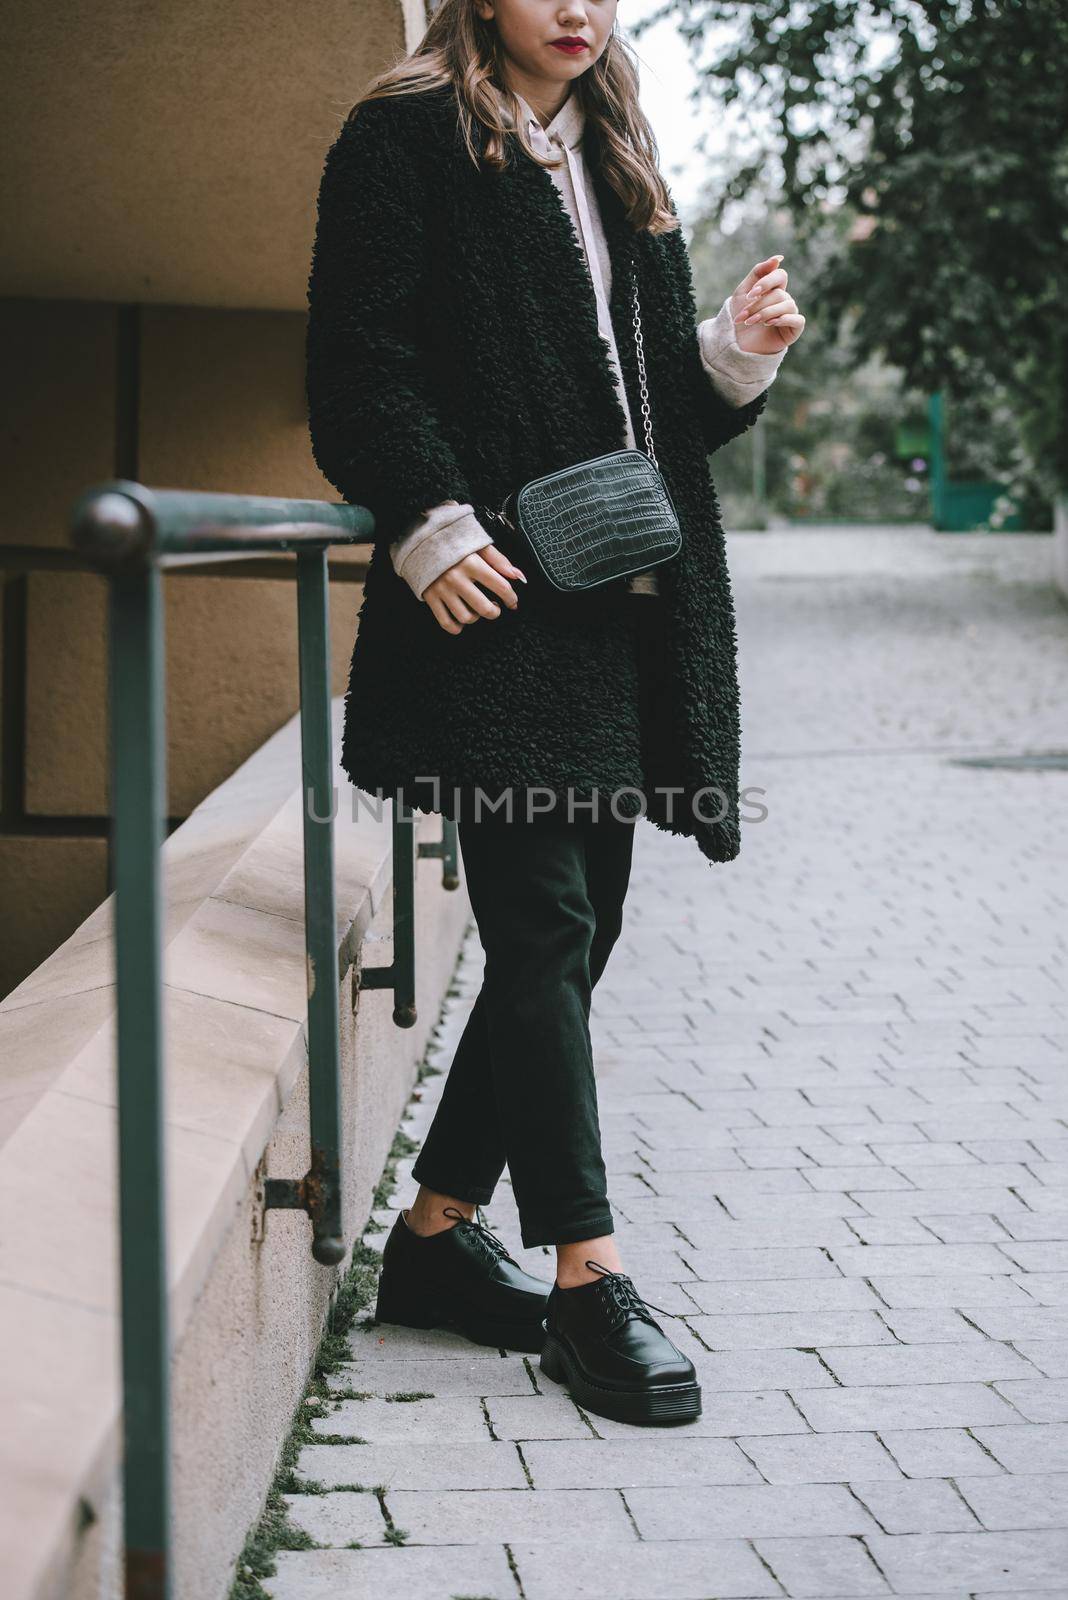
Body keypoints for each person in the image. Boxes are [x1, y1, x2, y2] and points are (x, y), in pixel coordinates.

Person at [304, 0, 805, 1426]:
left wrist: (733, 352)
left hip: (616, 616)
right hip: (492, 599)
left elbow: (646, 420)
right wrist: (428, 522)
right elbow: (357, 365)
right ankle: (591, 1276)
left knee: (584, 936)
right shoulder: (404, 136)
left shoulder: (622, 148)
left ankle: (438, 1238)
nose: (578, 7)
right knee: (545, 931)